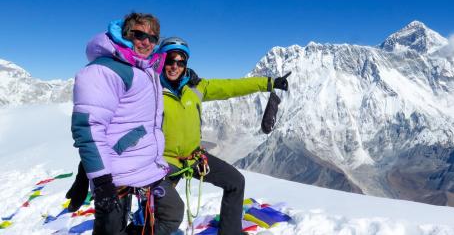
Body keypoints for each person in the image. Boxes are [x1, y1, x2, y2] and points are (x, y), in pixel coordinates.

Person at [68, 35, 291, 235]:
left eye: (180, 61)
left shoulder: (196, 87)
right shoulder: (149, 88)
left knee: (235, 182)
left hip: (194, 157)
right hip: (160, 163)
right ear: (160, 60)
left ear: (186, 64)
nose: (174, 66)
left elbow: (231, 86)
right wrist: (85, 173)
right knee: (165, 213)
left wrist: (269, 83)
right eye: (170, 60)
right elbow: (111, 128)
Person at [70, 13, 183, 235]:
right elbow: (89, 128)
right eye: (139, 34)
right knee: (111, 229)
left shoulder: (147, 70)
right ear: (125, 35)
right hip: (115, 174)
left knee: (171, 213)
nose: (146, 42)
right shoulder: (105, 70)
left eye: (153, 38)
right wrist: (101, 181)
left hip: (148, 166)